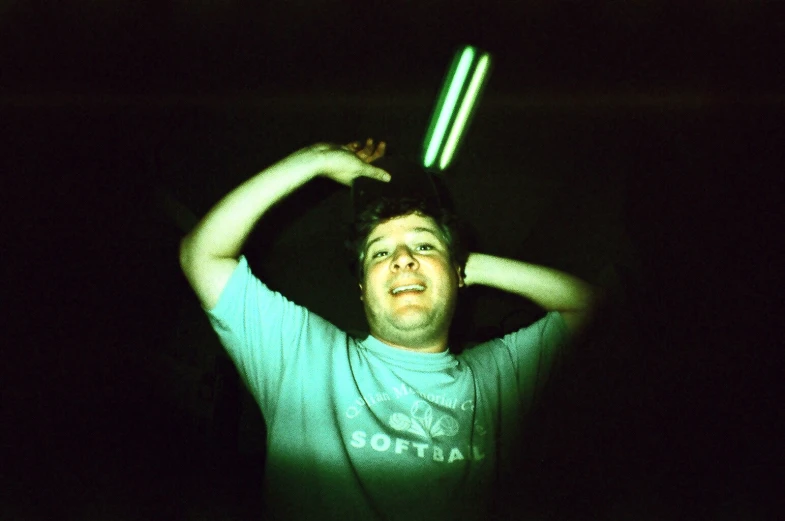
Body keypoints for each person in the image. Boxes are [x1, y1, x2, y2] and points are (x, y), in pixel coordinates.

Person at [179, 138, 601, 520]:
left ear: (459, 275)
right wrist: (313, 161)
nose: (403, 258)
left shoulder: (497, 376)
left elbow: (590, 304)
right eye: (381, 252)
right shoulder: (303, 357)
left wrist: (458, 266)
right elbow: (203, 256)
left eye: (421, 245)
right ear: (362, 291)